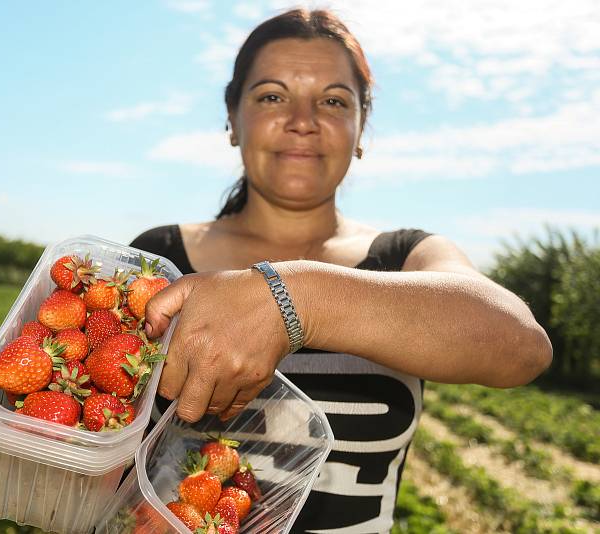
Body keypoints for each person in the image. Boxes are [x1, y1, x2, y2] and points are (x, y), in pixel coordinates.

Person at [130, 8, 552, 533]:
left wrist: (295, 300)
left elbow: (521, 347)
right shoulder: (159, 260)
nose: (302, 120)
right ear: (232, 118)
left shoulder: (405, 258)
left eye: (332, 101)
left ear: (360, 127)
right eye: (271, 96)